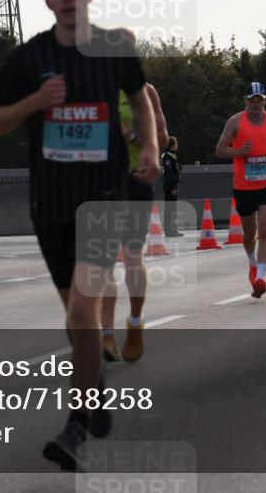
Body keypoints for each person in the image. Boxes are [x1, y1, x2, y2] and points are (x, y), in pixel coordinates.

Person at [0, 0, 159, 470]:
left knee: (83, 311)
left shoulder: (114, 49)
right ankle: (95, 384)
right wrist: (34, 104)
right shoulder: (29, 59)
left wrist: (147, 147)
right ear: (47, 0)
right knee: (74, 319)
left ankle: (76, 426)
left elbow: (140, 96)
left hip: (102, 198)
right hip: (50, 203)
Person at [101, 83, 169, 364]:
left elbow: (163, 138)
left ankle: (135, 321)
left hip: (134, 181)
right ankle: (106, 334)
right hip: (99, 185)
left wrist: (130, 134)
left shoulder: (144, 92)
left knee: (131, 256)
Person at [215, 82, 266, 299]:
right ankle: (252, 262)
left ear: (265, 101)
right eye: (252, 100)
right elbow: (219, 150)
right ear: (246, 101)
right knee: (249, 234)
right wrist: (239, 151)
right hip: (243, 185)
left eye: (260, 100)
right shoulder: (235, 122)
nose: (256, 104)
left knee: (264, 230)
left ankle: (261, 277)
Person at [161, 137, 183, 237]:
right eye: (176, 143)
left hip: (172, 185)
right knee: (170, 209)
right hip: (170, 186)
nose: (177, 145)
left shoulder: (172, 155)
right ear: (172, 145)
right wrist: (173, 187)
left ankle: (172, 229)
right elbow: (169, 174)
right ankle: (170, 231)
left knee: (172, 209)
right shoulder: (167, 156)